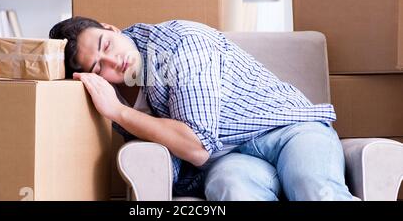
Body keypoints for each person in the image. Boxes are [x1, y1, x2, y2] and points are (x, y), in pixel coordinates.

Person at [49, 16, 355, 201]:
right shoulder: (112, 93)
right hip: (232, 158)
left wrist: (119, 112)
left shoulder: (179, 44)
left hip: (289, 131)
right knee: (230, 187)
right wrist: (119, 110)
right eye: (99, 66)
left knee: (312, 186)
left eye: (107, 45)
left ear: (111, 28)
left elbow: (196, 146)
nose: (115, 62)